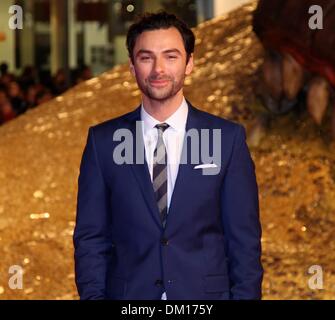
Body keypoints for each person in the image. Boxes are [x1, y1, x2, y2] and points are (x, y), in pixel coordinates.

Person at [73, 12, 263, 300]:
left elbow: (244, 243)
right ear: (132, 66)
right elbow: (91, 239)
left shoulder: (227, 139)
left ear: (189, 63)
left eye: (171, 56)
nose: (158, 69)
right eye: (146, 57)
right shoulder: (103, 142)